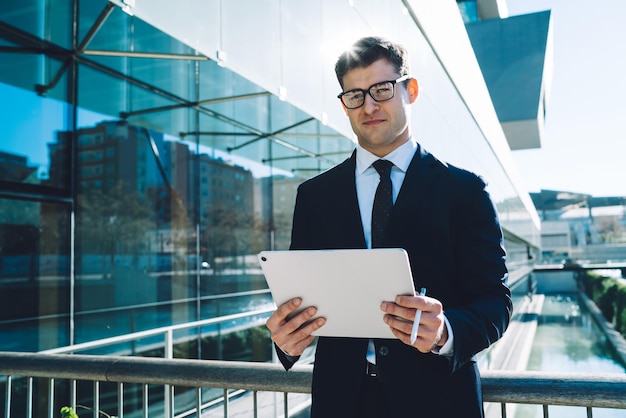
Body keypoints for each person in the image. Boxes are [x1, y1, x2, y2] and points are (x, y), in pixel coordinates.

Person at [265, 36, 512, 418]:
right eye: (355, 95)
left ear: (410, 90)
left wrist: (446, 330)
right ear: (344, 105)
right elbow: (300, 299)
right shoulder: (314, 195)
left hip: (439, 402)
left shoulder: (465, 191)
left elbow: (495, 301)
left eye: (381, 89)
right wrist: (287, 341)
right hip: (340, 402)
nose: (369, 105)